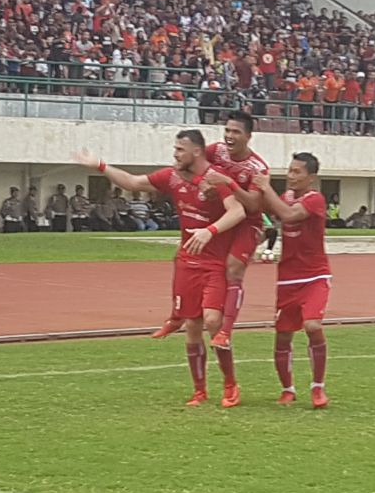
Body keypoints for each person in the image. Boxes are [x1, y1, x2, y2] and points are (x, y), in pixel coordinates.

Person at [74, 130, 248, 407]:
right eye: (175, 148)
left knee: (213, 321)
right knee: (192, 326)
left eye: (181, 149)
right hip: (186, 264)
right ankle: (199, 390)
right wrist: (100, 165)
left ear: (197, 152)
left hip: (213, 263)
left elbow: (237, 211)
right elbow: (132, 182)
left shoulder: (214, 178)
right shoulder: (171, 177)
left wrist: (210, 231)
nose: (175, 153)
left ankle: (230, 384)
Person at [151, 111, 269, 351]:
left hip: (247, 221)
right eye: (227, 130)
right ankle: (176, 315)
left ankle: (225, 330)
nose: (229, 136)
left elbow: (254, 205)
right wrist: (198, 183)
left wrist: (229, 184)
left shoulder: (258, 167)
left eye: (236, 132)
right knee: (183, 253)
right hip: (222, 213)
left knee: (233, 266)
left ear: (248, 136)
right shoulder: (216, 150)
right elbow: (196, 165)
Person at [254, 152, 331, 409]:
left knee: (311, 325)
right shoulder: (285, 197)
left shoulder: (315, 200)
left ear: (311, 177)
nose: (291, 176)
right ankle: (287, 389)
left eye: (297, 172)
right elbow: (261, 206)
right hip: (287, 278)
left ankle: (317, 388)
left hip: (315, 275)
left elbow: (287, 215)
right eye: (289, 170)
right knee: (283, 335)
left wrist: (265, 189)